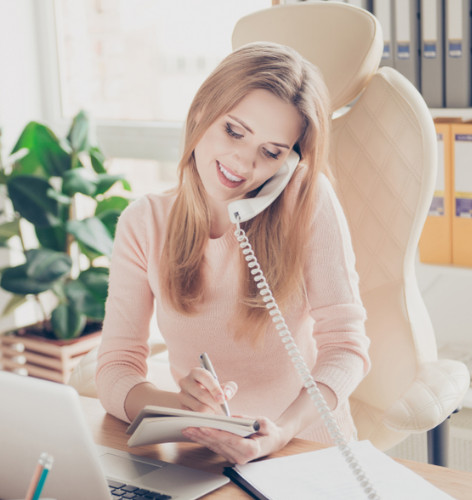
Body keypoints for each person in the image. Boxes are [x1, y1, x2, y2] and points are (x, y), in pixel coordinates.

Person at [95, 41, 370, 465]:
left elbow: (346, 347)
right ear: (203, 111)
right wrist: (178, 410)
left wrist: (282, 431)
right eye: (234, 131)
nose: (242, 162)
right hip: (201, 459)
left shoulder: (308, 201)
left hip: (305, 453)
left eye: (271, 151)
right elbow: (116, 367)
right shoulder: (144, 222)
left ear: (290, 161)